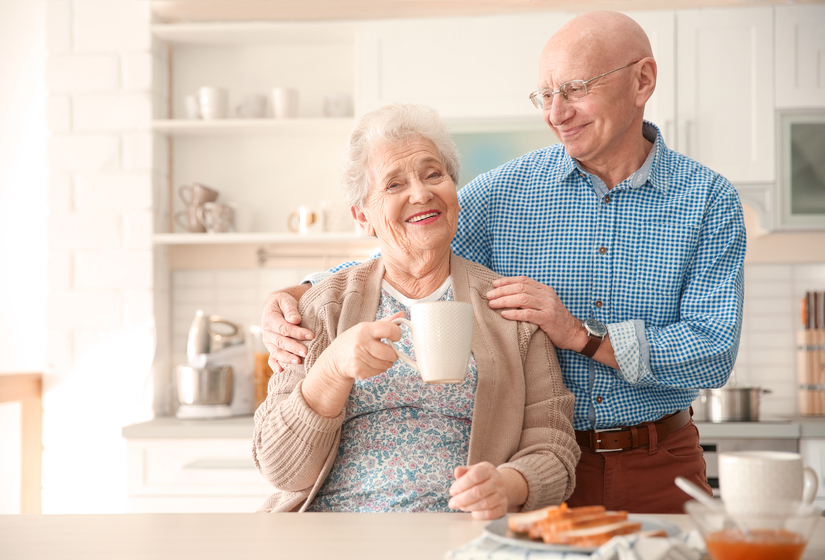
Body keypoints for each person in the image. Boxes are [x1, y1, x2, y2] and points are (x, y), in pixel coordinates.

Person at [261, 11, 746, 514]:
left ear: (642, 80)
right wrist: (300, 296)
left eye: (576, 89)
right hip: (542, 467)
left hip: (654, 458)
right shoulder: (504, 192)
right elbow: (410, 242)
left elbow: (712, 351)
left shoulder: (708, 201)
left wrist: (580, 334)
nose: (557, 113)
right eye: (545, 95)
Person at [252, 103, 580, 517]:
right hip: (332, 535)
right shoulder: (322, 309)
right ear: (363, 217)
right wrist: (332, 368)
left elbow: (553, 448)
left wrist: (509, 485)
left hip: (459, 536)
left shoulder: (508, 309)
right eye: (393, 185)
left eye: (433, 174)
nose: (421, 193)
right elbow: (280, 469)